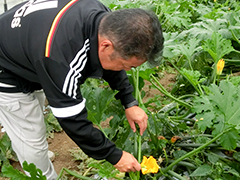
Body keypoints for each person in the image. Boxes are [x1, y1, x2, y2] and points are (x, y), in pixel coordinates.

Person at [0, 0, 164, 179]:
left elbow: (114, 63)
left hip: (28, 46)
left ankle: (30, 153)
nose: (126, 70)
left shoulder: (105, 21)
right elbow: (73, 121)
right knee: (30, 138)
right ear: (106, 45)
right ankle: (40, 171)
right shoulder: (61, 59)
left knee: (34, 115)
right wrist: (114, 155)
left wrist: (129, 101)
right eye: (127, 66)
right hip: (6, 69)